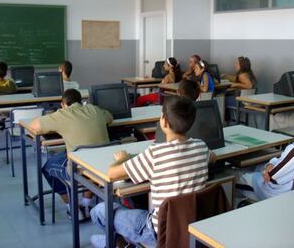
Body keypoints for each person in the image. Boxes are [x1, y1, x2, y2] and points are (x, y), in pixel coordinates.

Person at [90, 96, 214, 247]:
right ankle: (122, 242)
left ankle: (117, 243)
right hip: (191, 227)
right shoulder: (201, 147)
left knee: (99, 211)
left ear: (164, 122)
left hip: (158, 232)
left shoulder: (156, 153)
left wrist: (122, 158)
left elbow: (111, 174)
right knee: (136, 201)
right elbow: (212, 157)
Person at [29, 89, 113, 219]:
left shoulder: (63, 114)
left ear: (63, 104)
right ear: (80, 101)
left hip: (79, 169)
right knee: (82, 154)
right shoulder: (94, 109)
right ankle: (86, 204)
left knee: (47, 168)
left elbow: (34, 125)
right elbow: (110, 118)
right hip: (102, 164)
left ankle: (72, 208)